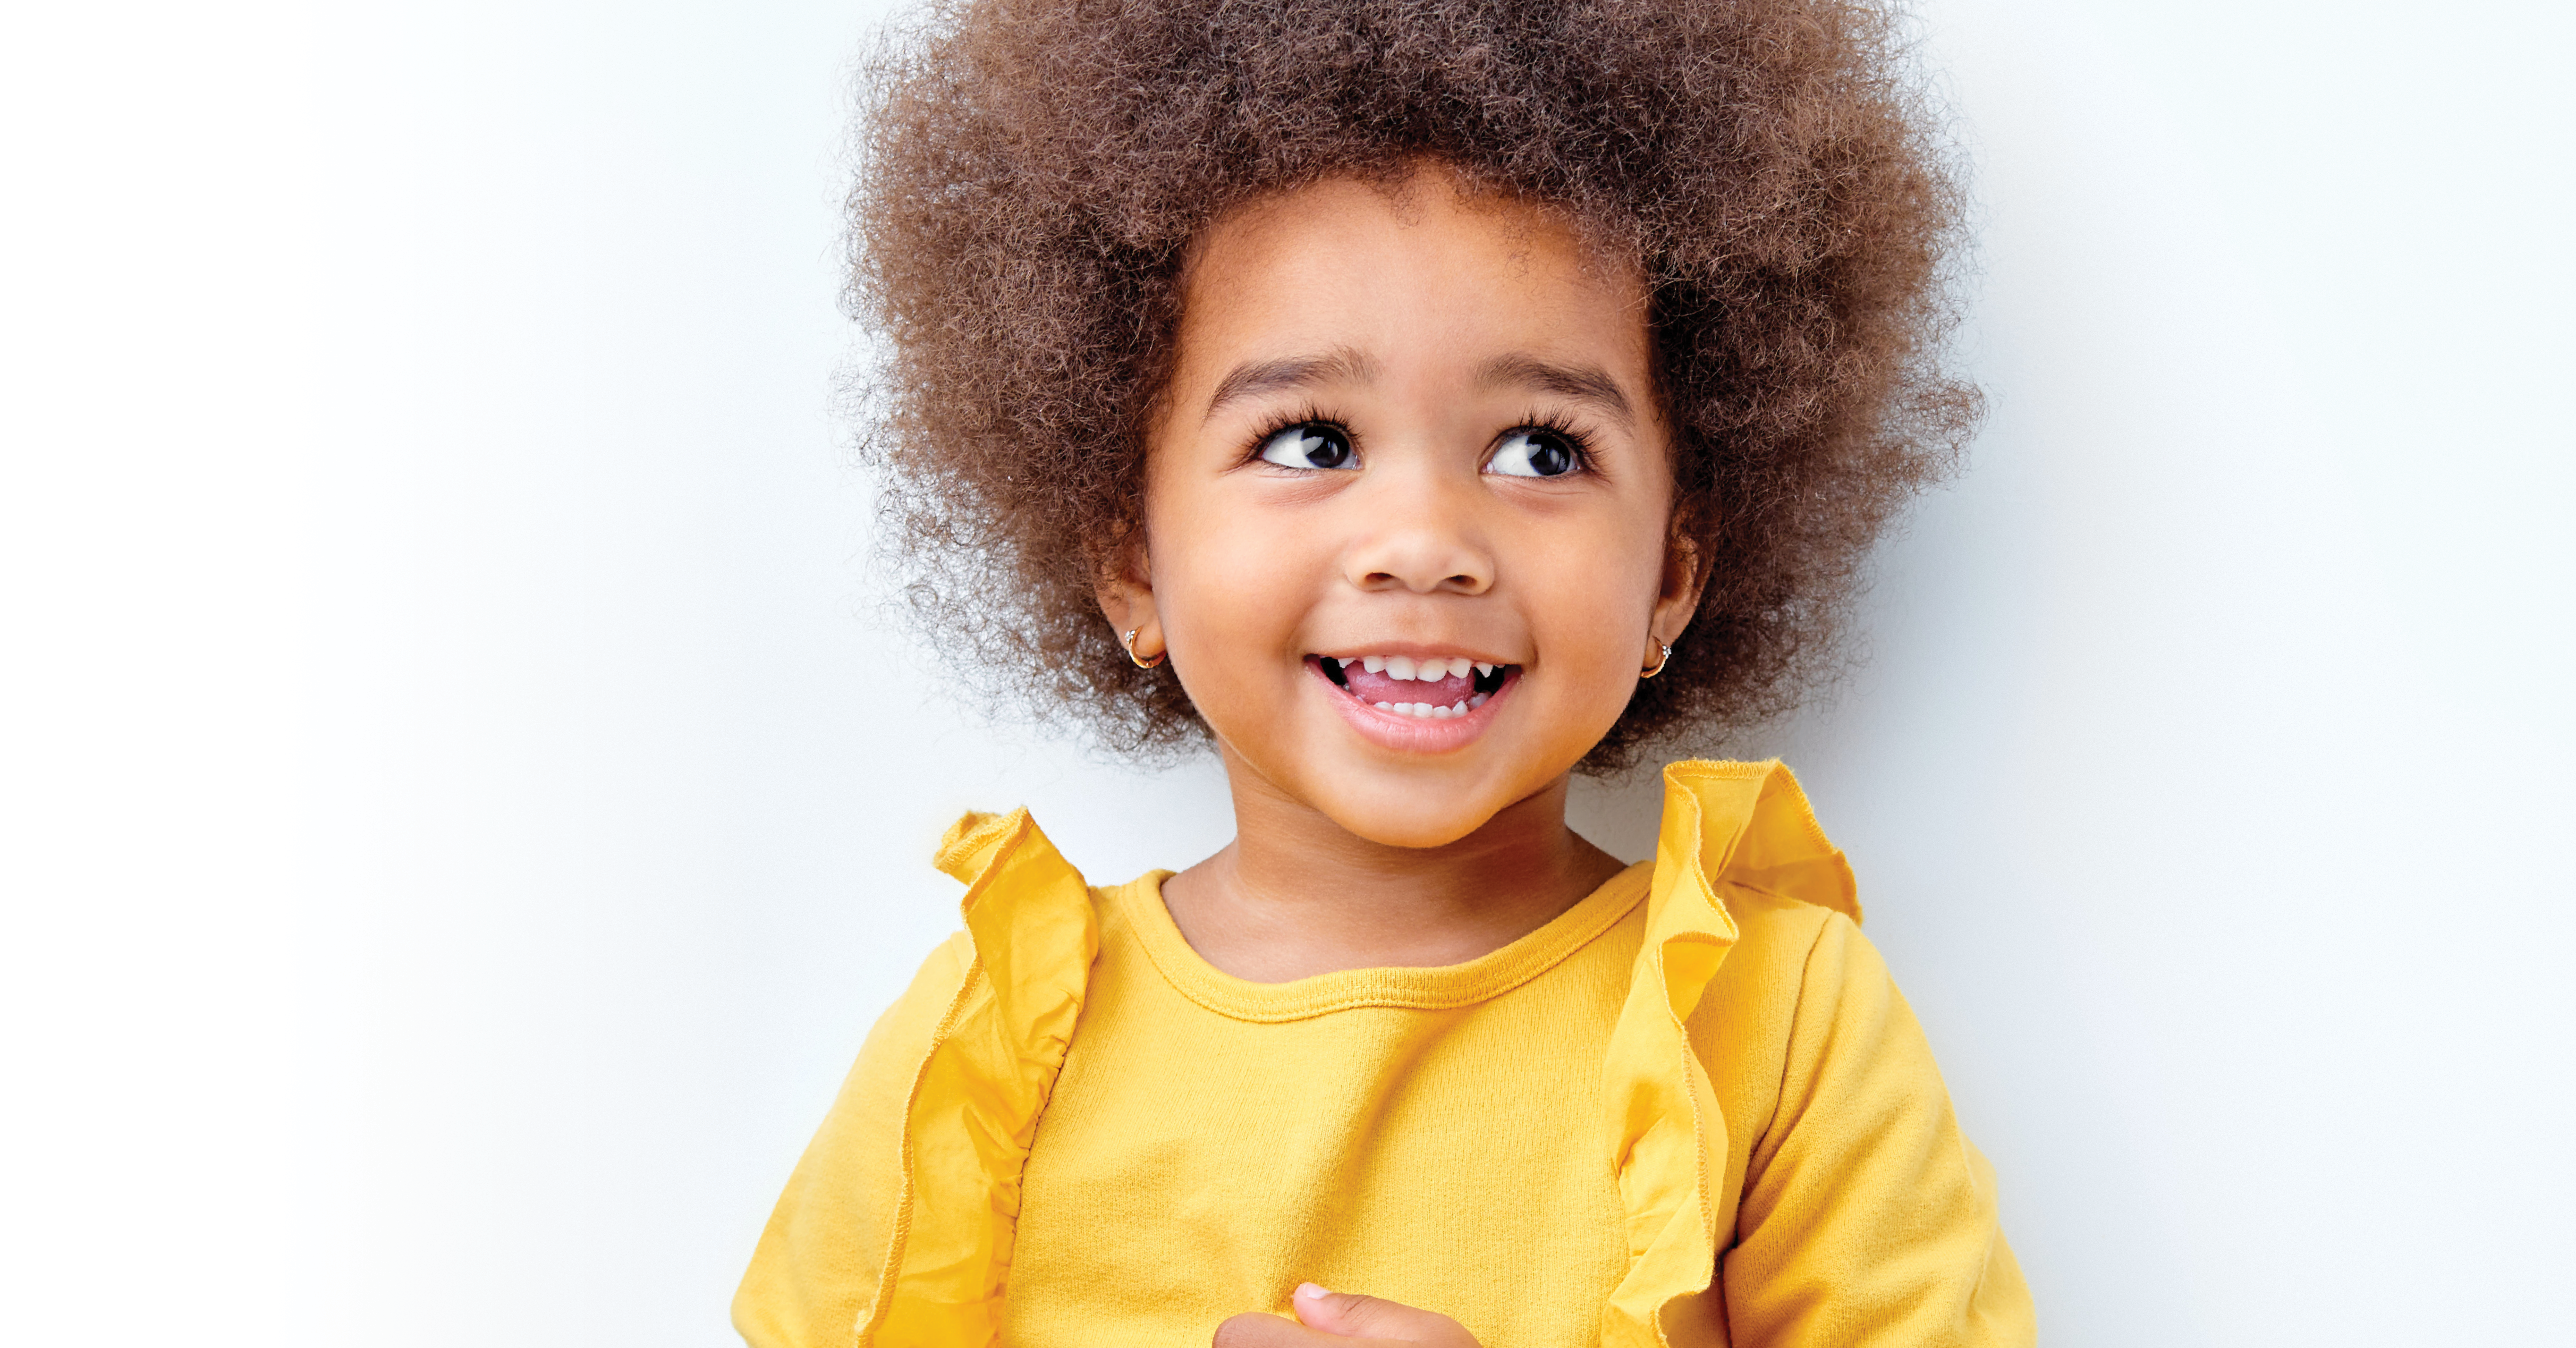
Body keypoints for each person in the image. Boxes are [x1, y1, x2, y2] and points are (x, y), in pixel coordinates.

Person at [736, 0, 2033, 1343]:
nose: (1424, 543)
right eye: (1311, 442)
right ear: (1132, 560)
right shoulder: (995, 1038)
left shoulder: (1777, 1022)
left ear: (1670, 574)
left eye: (1541, 450)